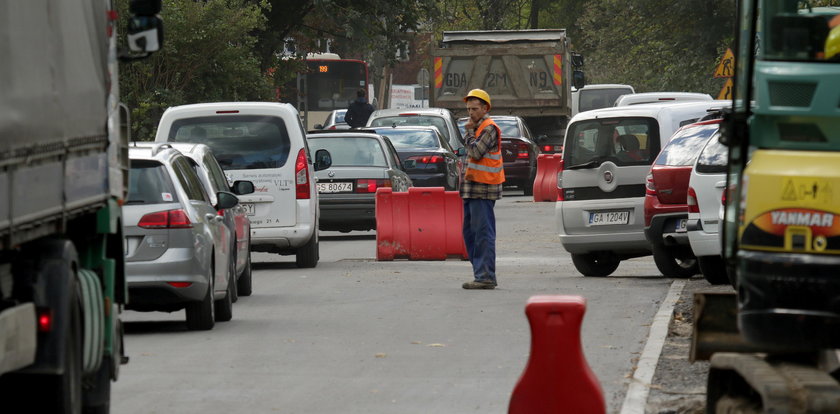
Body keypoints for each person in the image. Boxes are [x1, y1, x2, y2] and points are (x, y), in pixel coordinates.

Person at [460, 89, 505, 290]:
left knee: (483, 233)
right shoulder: (477, 129)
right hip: (471, 190)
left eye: (475, 109)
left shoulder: (488, 128)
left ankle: (485, 275)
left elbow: (476, 152)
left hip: (483, 190)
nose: (471, 113)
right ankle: (481, 271)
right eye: (469, 109)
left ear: (485, 108)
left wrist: (468, 133)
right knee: (470, 233)